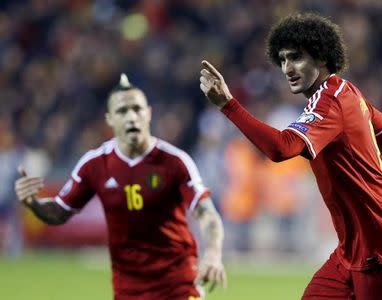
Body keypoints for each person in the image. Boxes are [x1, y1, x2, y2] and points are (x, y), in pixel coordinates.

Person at [200, 12, 382, 300]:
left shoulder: (329, 101)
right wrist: (374, 187)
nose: (287, 67)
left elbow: (282, 148)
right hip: (351, 251)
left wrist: (228, 105)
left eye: (296, 57)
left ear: (321, 58)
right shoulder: (348, 92)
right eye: (282, 60)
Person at [15, 74, 226, 300]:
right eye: (122, 111)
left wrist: (213, 253)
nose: (131, 117)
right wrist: (33, 204)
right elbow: (59, 212)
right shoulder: (94, 165)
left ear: (149, 113)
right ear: (110, 119)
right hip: (128, 290)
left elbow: (207, 214)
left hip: (178, 284)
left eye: (137, 109)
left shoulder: (174, 161)